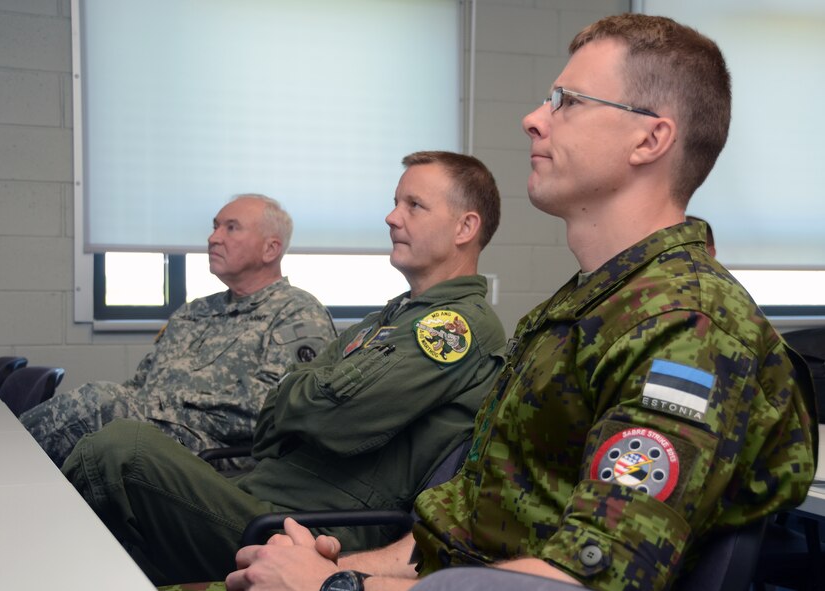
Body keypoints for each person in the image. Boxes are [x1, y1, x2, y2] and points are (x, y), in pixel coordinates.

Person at [224, 14, 818, 591]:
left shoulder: (686, 327)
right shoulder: (586, 308)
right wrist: (343, 567)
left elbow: (589, 578)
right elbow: (459, 536)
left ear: (650, 138)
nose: (534, 119)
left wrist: (336, 586)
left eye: (568, 101)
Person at [62, 151, 507, 585]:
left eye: (414, 205)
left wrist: (301, 399)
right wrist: (304, 398)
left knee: (121, 449)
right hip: (264, 495)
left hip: (312, 532)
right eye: (395, 202)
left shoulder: (455, 327)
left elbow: (336, 418)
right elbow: (275, 416)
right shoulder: (386, 320)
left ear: (465, 227)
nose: (392, 217)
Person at [21, 194, 337, 467]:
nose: (213, 238)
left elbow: (270, 409)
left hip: (220, 456)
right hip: (155, 433)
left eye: (231, 228)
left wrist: (156, 408)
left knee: (100, 404)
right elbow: (140, 384)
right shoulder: (195, 310)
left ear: (271, 249)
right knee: (97, 412)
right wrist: (138, 407)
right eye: (215, 226)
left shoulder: (296, 313)